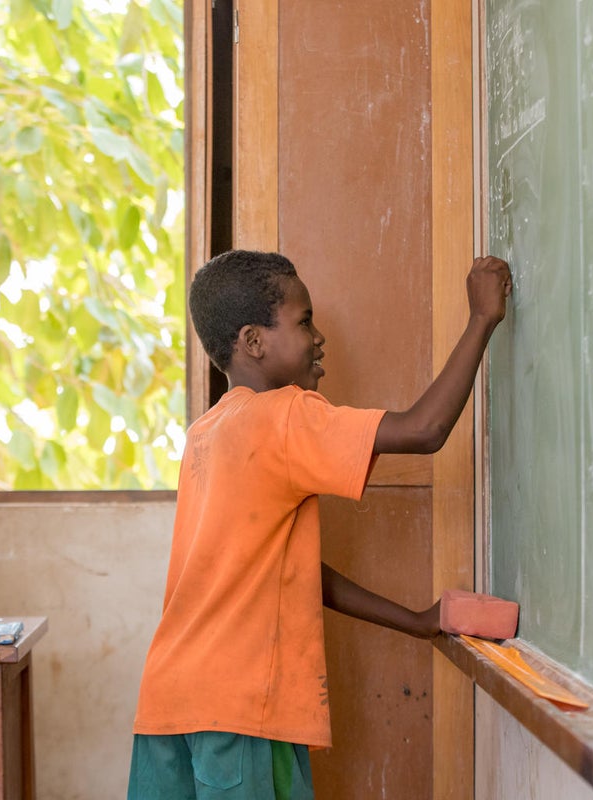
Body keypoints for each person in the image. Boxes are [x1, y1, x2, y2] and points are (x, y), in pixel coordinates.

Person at [128, 250, 512, 799]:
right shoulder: (284, 414)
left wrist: (416, 621)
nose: (318, 336)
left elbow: (296, 572)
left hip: (169, 702)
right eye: (304, 320)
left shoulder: (207, 432)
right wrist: (481, 319)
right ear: (253, 341)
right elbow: (424, 431)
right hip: (242, 709)